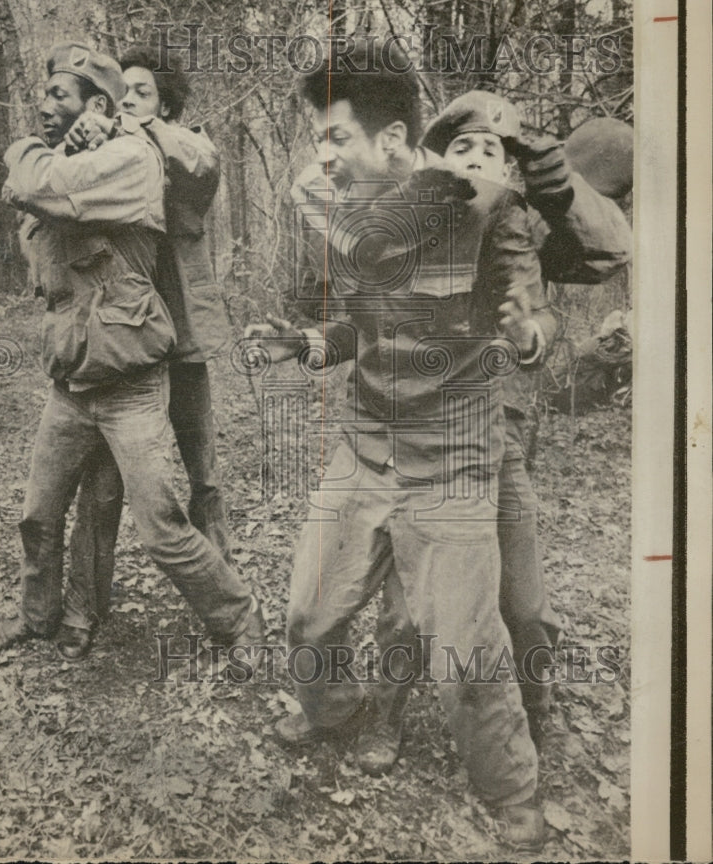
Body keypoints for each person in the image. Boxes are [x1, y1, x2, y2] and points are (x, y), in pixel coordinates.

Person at [246, 43, 548, 848]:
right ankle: (336, 712)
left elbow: (530, 309)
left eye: (336, 138)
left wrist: (527, 333)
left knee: (464, 653)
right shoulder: (354, 214)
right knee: (308, 617)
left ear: (391, 140)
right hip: (366, 446)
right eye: (318, 139)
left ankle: (512, 787)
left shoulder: (482, 204)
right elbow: (364, 328)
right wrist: (304, 344)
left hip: (451, 460)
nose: (322, 157)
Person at [0, 41, 264, 662]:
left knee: (162, 528)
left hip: (132, 385)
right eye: (44, 95)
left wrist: (24, 151)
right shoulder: (80, 157)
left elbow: (39, 185)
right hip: (72, 382)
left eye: (58, 95)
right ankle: (38, 615)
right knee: (38, 515)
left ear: (96, 106)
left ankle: (240, 616)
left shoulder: (132, 159)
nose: (43, 106)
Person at [423, 93, 632, 736]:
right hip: (421, 430)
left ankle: (534, 709)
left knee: (523, 596)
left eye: (491, 150)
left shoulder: (524, 221)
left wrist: (557, 186)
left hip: (501, 424)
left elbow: (607, 251)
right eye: (461, 147)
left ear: (508, 168)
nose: (475, 158)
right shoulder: (413, 221)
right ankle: (394, 709)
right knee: (416, 593)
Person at [53, 45, 233, 660]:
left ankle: (225, 603)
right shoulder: (109, 151)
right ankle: (81, 610)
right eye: (121, 92)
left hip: (185, 344)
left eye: (143, 92)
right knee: (101, 485)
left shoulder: (185, 146)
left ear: (167, 105)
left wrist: (134, 127)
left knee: (204, 480)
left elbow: (201, 163)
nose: (128, 100)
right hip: (124, 347)